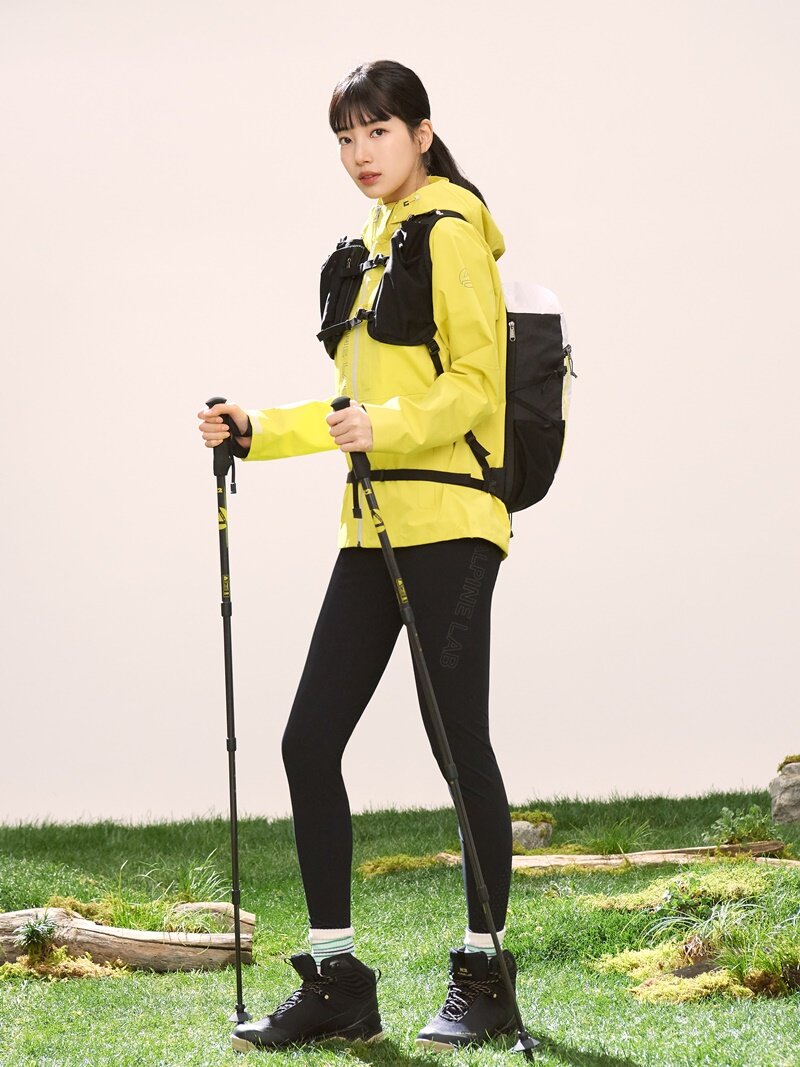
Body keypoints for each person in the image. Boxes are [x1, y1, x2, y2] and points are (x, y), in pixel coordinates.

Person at [198, 58, 517, 1053]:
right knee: (307, 740)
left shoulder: (453, 231)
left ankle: (485, 973)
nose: (359, 153)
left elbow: (478, 386)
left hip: (451, 522)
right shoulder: (370, 247)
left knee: (456, 743)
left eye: (377, 132)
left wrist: (387, 422)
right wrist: (257, 428)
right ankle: (338, 978)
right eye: (345, 137)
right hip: (372, 526)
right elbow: (349, 408)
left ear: (421, 132)